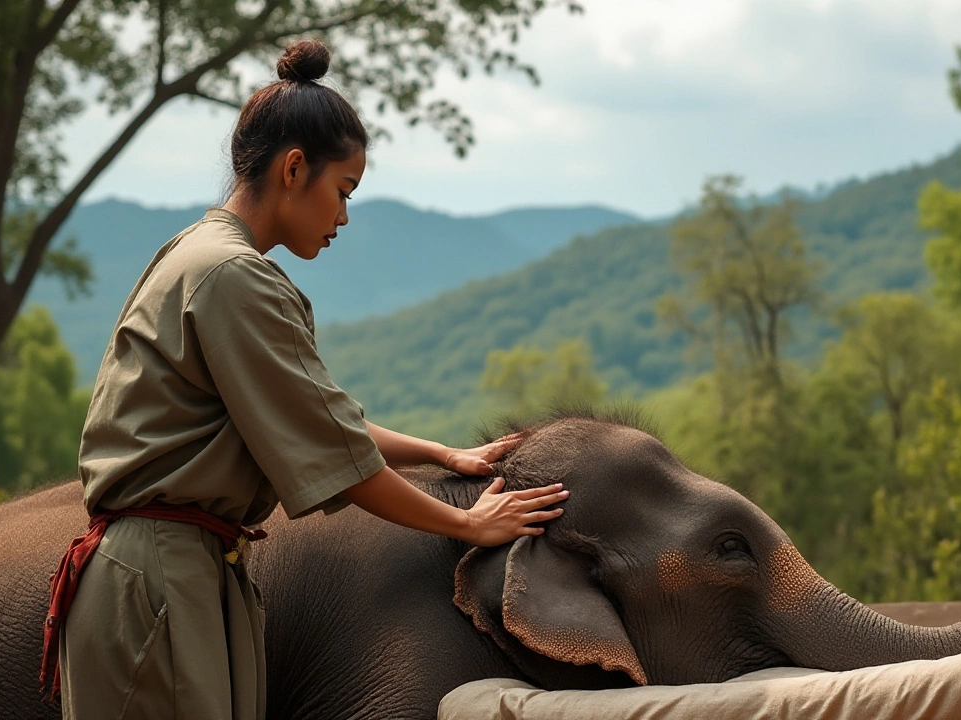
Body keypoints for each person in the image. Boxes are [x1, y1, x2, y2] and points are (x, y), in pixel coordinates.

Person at [40, 39, 568, 720]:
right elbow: (342, 465)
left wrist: (441, 456)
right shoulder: (234, 277)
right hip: (162, 580)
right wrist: (468, 524)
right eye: (342, 191)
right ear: (295, 169)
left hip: (175, 573)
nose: (344, 216)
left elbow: (311, 416)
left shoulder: (199, 254)